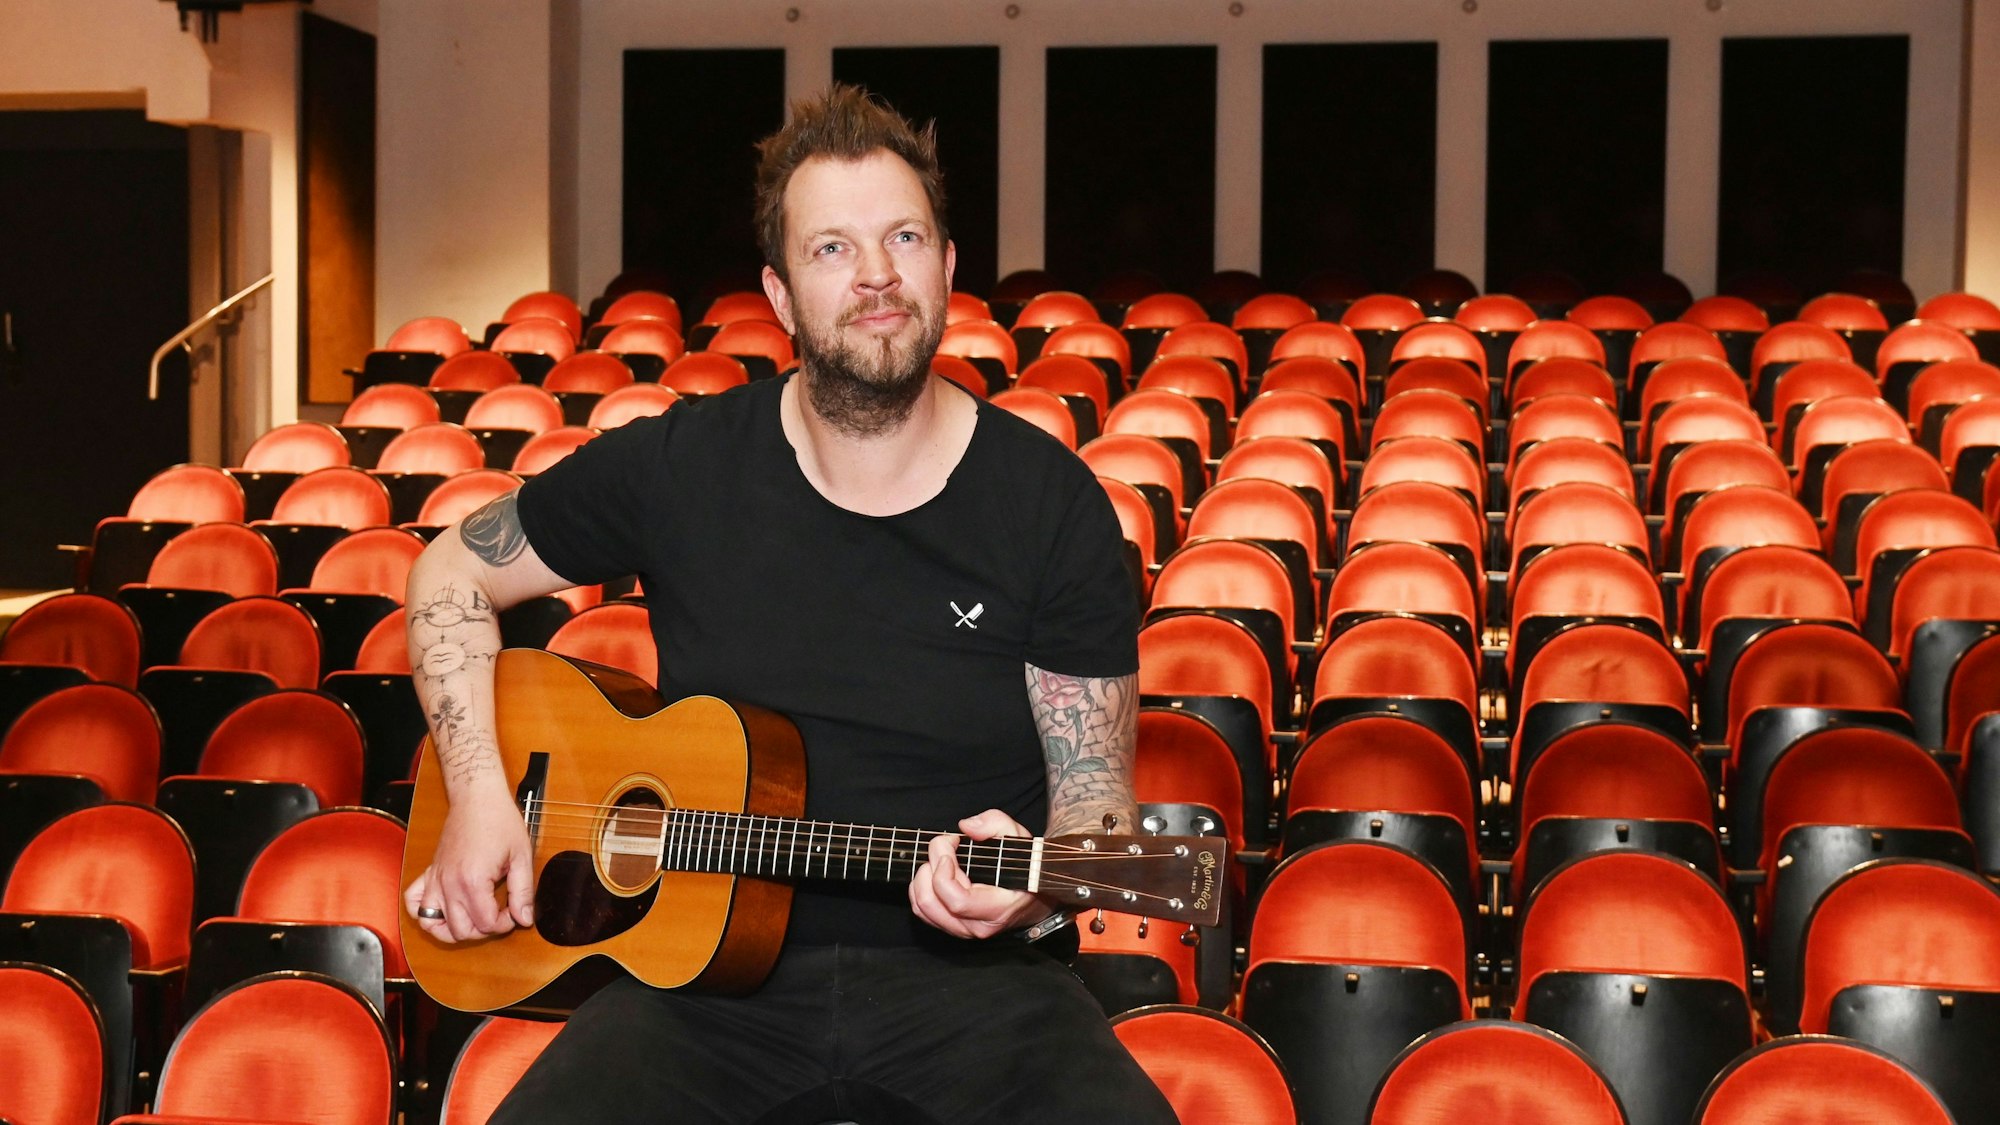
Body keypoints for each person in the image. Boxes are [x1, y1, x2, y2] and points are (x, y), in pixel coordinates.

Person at [399, 85, 1179, 1124]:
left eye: (904, 237)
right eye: (831, 248)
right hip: (699, 985)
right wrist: (480, 797)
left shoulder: (1050, 506)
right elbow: (450, 572)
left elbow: (1099, 815)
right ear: (778, 295)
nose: (876, 274)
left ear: (948, 267)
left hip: (983, 988)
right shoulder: (679, 468)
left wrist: (1042, 882)